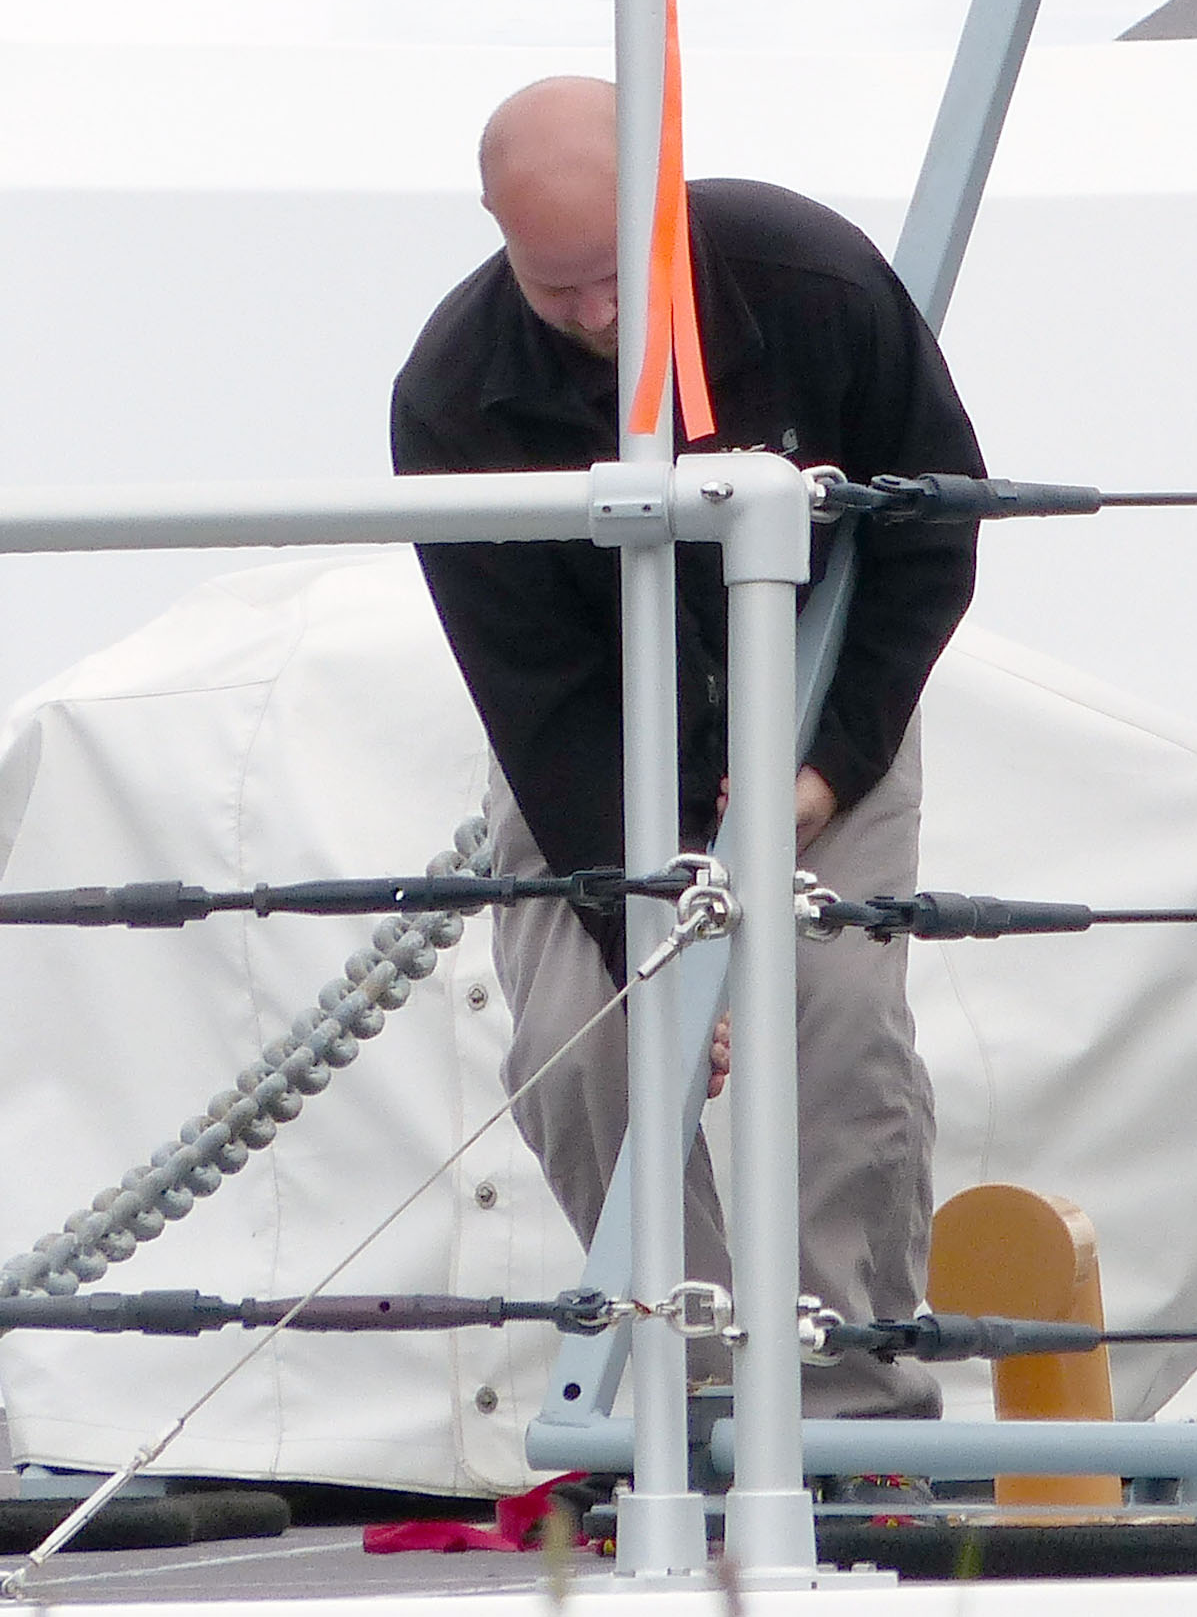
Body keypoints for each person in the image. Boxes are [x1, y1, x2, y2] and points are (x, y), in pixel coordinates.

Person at [390, 78, 983, 1418]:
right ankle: (701, 1396)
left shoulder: (812, 278)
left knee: (835, 1028)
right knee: (586, 1042)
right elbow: (535, 696)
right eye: (560, 293)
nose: (600, 317)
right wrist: (641, 906)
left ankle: (853, 1408)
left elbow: (935, 526)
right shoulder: (449, 398)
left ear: (668, 199)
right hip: (594, 754)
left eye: (617, 275)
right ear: (498, 242)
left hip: (829, 707)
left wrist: (825, 770)